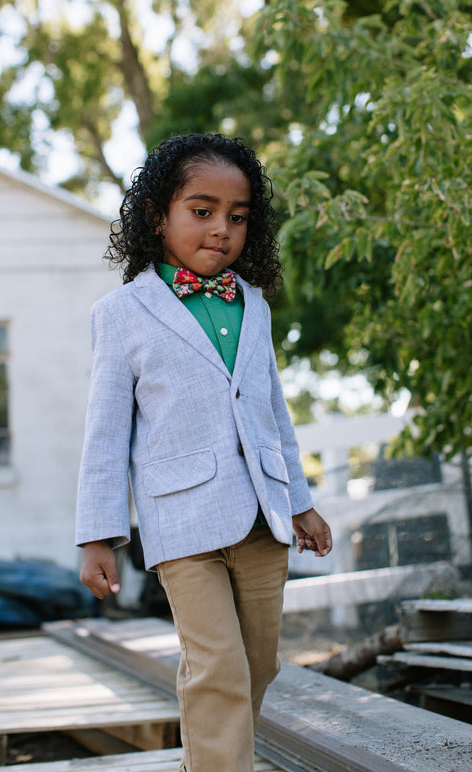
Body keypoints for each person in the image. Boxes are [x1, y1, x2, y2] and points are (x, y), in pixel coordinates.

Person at [76, 132, 332, 772]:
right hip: (181, 525)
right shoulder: (122, 313)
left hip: (263, 517)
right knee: (217, 665)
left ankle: (209, 760)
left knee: (259, 662)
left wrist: (300, 503)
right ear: (157, 215)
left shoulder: (253, 304)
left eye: (237, 216)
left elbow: (273, 411)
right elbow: (105, 434)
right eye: (202, 210)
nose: (221, 228)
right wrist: (98, 536)